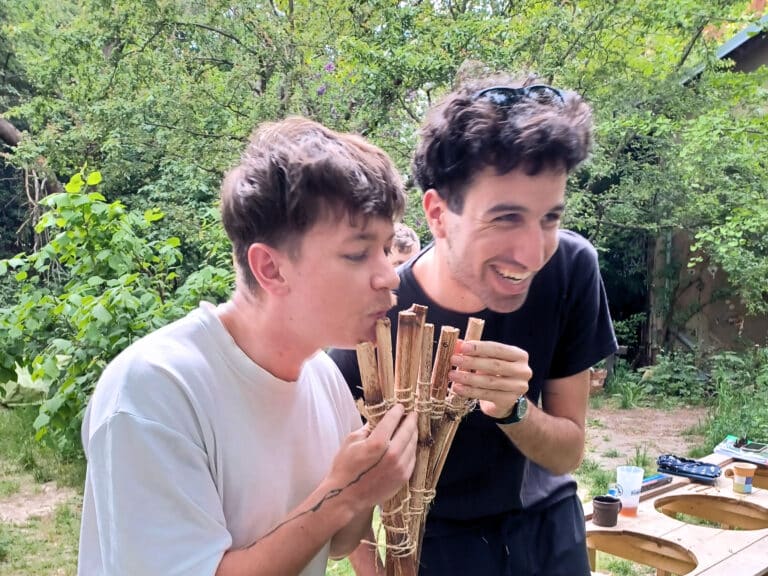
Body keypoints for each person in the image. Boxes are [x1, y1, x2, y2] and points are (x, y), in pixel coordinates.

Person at [78, 117, 419, 576]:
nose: (390, 275)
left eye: (385, 249)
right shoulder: (154, 390)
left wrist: (372, 479)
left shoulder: (324, 377)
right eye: (358, 253)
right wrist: (346, 493)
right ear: (271, 269)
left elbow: (336, 542)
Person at [330, 75, 618, 575]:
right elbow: (353, 491)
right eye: (505, 218)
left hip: (550, 533)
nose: (533, 254)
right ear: (438, 214)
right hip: (435, 546)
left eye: (549, 218)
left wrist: (514, 411)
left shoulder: (571, 269)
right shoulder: (375, 318)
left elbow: (567, 451)